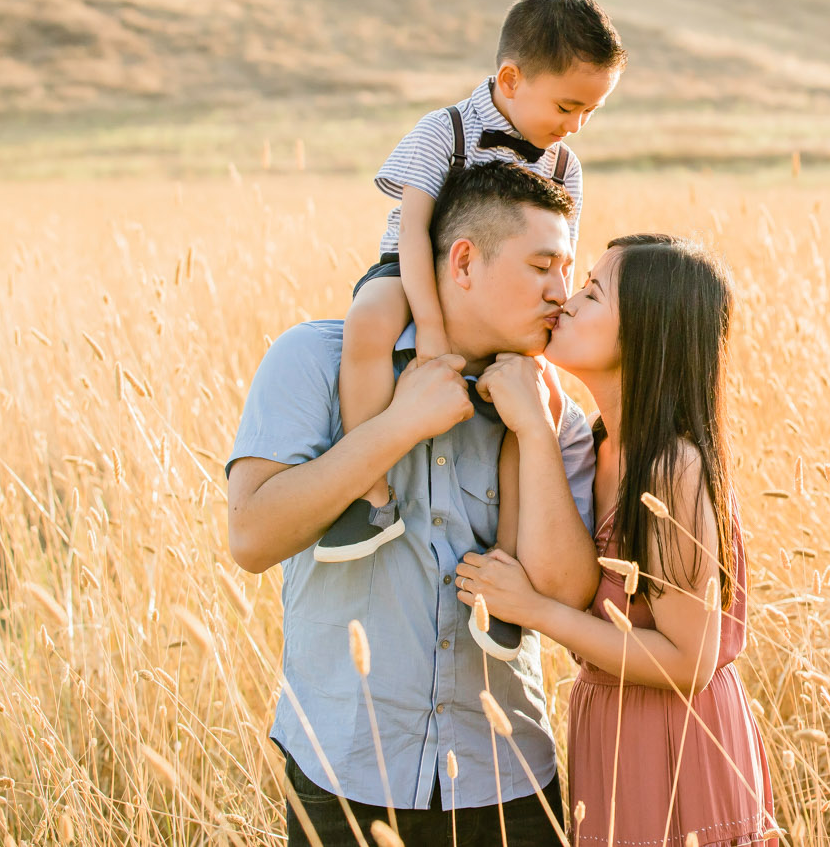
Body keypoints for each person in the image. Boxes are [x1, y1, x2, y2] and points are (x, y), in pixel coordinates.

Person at [226, 162, 600, 846]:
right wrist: (397, 425)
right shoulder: (316, 360)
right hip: (344, 776)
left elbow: (567, 592)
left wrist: (536, 433)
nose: (562, 292)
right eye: (543, 264)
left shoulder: (552, 412)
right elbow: (251, 537)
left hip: (508, 780)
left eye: (569, 268)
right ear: (463, 262)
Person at [455, 235, 778, 847]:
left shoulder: (669, 470)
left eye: (594, 292)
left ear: (646, 333)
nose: (569, 302)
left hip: (678, 744)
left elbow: (689, 661)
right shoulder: (598, 445)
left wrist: (535, 612)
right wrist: (532, 424)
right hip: (612, 727)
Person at [322, 0, 623, 575]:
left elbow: (559, 253)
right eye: (566, 108)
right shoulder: (445, 131)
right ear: (510, 80)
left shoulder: (565, 166)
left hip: (501, 293)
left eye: (591, 112)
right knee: (368, 323)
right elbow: (412, 232)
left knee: (529, 389)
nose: (577, 126)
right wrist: (429, 327)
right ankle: (370, 491)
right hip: (413, 268)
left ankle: (508, 554)